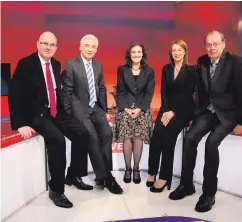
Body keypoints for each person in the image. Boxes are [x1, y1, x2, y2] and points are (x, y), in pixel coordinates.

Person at [8, 31, 93, 209]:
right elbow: (14, 94)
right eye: (45, 43)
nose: (48, 47)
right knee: (57, 140)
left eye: (52, 45)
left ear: (56, 47)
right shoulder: (26, 64)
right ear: (38, 44)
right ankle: (56, 190)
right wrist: (20, 123)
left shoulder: (55, 63)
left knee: (82, 133)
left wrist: (67, 112)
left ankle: (73, 175)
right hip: (36, 114)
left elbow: (55, 90)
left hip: (55, 111)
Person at [169, 31, 242, 213]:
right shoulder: (202, 61)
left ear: (224, 43)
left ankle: (209, 194)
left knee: (211, 144)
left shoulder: (236, 62)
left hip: (228, 114)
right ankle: (187, 185)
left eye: (216, 44)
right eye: (209, 44)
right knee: (190, 138)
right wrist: (196, 113)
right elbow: (200, 91)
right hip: (208, 111)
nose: (212, 48)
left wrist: (241, 121)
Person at [61, 34, 123, 195]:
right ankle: (107, 177)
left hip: (96, 108)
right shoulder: (70, 64)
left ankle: (102, 176)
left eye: (93, 46)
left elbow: (101, 88)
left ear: (96, 49)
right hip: (79, 109)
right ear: (80, 47)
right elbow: (66, 92)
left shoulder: (98, 64)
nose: (90, 49)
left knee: (107, 133)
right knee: (92, 137)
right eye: (87, 45)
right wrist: (68, 114)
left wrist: (104, 110)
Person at [146, 40, 196, 192]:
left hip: (184, 109)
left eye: (179, 50)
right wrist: (166, 110)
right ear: (171, 53)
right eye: (174, 50)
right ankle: (152, 171)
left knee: (168, 137)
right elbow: (164, 91)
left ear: (185, 52)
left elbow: (188, 95)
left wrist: (173, 112)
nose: (177, 53)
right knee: (156, 136)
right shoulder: (167, 68)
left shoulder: (192, 70)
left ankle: (164, 176)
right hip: (166, 108)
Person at [113, 41, 155, 184]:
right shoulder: (122, 69)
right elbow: (120, 91)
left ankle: (136, 169)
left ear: (142, 54)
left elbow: (149, 93)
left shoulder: (149, 71)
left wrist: (139, 108)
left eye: (139, 52)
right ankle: (127, 169)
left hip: (141, 108)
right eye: (133, 52)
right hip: (125, 107)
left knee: (137, 137)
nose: (136, 55)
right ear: (129, 55)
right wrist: (125, 108)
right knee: (127, 137)